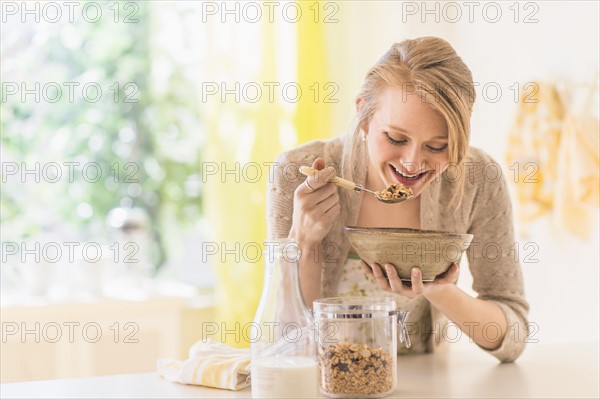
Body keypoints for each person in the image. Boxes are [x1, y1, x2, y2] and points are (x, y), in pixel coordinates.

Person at [266, 37, 529, 363]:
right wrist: (303, 244)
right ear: (363, 113)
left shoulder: (477, 178)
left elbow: (513, 336)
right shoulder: (296, 173)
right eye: (396, 138)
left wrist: (438, 289)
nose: (412, 163)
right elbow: (289, 344)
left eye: (437, 147)